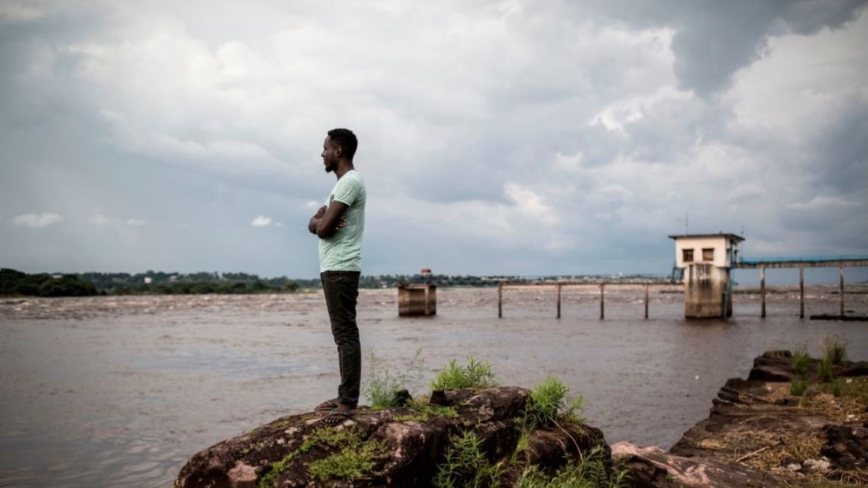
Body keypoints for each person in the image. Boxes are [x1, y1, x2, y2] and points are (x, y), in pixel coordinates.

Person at [308, 128, 366, 424]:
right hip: (334, 266)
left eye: (325, 148)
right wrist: (316, 222)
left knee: (345, 333)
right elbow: (317, 226)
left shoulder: (349, 183)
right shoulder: (344, 184)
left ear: (338, 151)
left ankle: (348, 402)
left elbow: (323, 228)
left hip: (341, 267)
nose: (322, 154)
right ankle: (346, 394)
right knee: (341, 333)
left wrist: (317, 220)